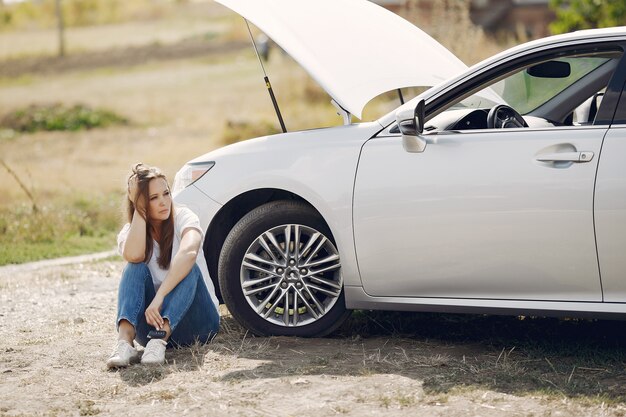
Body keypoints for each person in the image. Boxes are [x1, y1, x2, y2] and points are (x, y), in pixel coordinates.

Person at [107, 163, 219, 368]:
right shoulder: (130, 232)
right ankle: (124, 344)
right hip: (148, 332)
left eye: (166, 193)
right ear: (140, 203)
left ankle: (160, 339)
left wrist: (160, 297)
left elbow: (190, 251)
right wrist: (140, 211)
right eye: (153, 198)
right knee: (134, 266)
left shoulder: (184, 217)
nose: (164, 202)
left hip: (199, 323)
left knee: (189, 267)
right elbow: (134, 255)